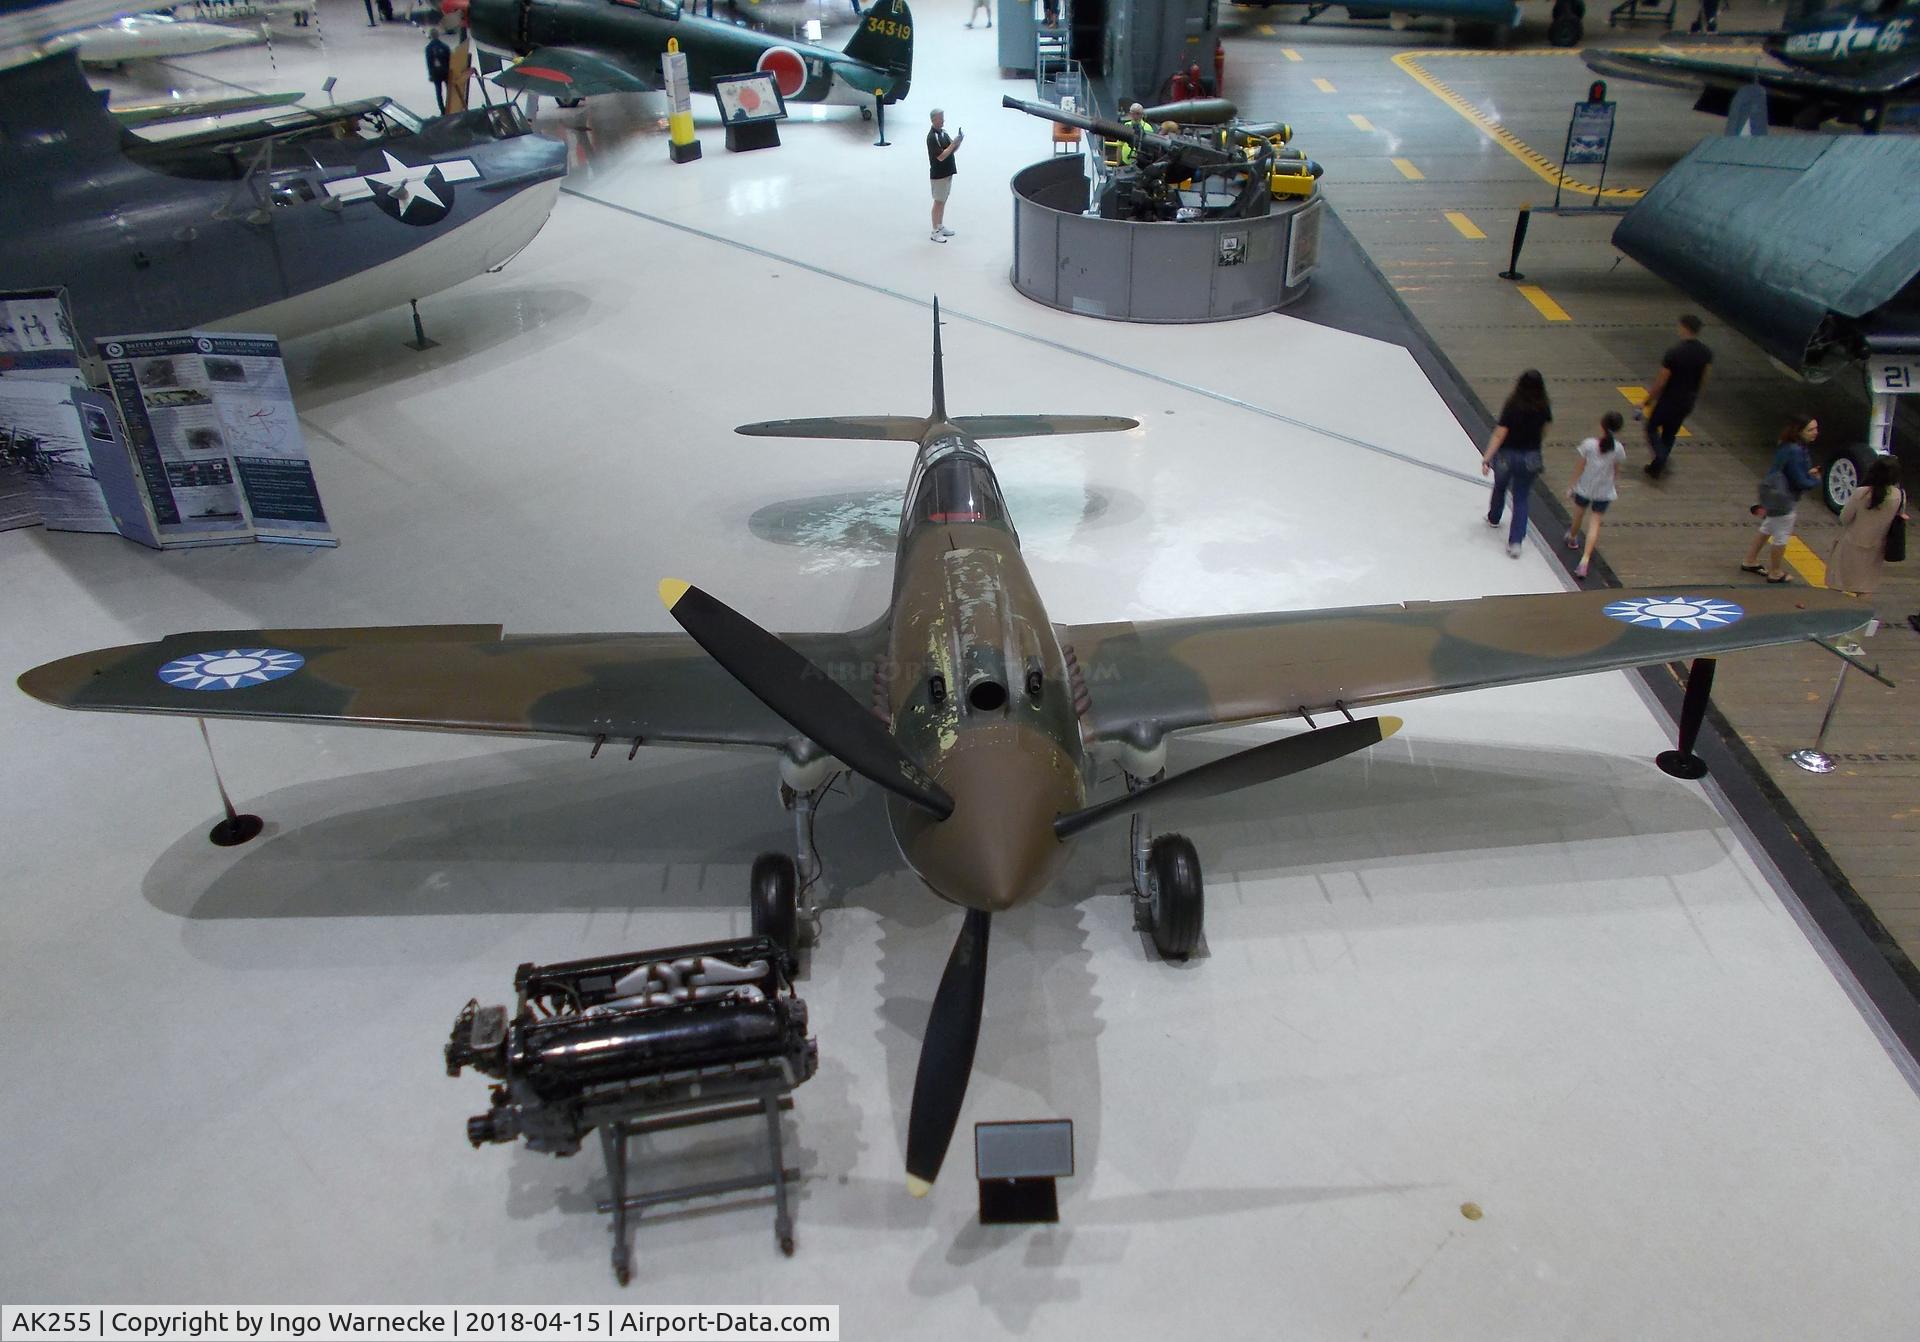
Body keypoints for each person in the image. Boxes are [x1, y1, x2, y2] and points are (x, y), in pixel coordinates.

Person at [1740, 415, 1822, 583]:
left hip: (1772, 493)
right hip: (1784, 498)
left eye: (1816, 428)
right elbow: (1799, 481)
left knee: (1767, 527)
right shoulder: (1796, 450)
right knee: (1781, 536)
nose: (1815, 433)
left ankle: (1750, 560)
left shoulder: (1786, 445)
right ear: (1799, 431)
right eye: (1811, 429)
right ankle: (1775, 571)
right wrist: (1815, 480)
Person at [1481, 370, 1553, 558]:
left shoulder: (1513, 405)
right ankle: (1515, 542)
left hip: (1507, 455)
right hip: (1531, 456)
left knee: (1500, 487)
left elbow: (1500, 434)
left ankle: (1494, 517)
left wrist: (1487, 458)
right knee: (1521, 498)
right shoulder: (1544, 407)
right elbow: (1545, 431)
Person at [1826, 455, 1906, 606]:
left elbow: (1844, 518)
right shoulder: (1899, 495)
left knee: (1838, 582)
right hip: (1877, 547)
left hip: (1850, 544)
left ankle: (1836, 614)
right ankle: (1858, 616)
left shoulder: (1861, 493)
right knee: (1865, 586)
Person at [1640, 314, 1712, 479]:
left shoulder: (1675, 352)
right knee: (1670, 432)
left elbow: (1661, 381)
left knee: (1651, 427)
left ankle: (1661, 457)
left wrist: (1647, 400)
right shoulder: (1706, 353)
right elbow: (1704, 378)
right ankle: (1656, 468)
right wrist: (1694, 396)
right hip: (1687, 400)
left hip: (1670, 398)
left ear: (1684, 327)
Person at [1565, 410, 1623, 579]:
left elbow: (1580, 466)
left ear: (1602, 425)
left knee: (1578, 516)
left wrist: (1572, 486)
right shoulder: (1618, 449)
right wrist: (1613, 484)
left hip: (1585, 487)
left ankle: (1573, 537)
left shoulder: (1589, 444)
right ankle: (1585, 559)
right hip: (1604, 491)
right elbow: (1616, 470)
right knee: (1595, 523)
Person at [927, 109, 961, 243]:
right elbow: (941, 156)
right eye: (941, 118)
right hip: (939, 174)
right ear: (934, 119)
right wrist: (953, 145)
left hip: (948, 172)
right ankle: (935, 231)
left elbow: (952, 150)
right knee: (938, 201)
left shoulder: (943, 133)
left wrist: (958, 142)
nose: (943, 120)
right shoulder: (932, 137)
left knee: (943, 200)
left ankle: (940, 225)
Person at [425, 31, 452, 113]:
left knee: (438, 92)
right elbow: (450, 60)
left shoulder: (428, 48)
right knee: (450, 90)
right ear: (438, 35)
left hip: (435, 73)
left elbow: (429, 62)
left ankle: (442, 110)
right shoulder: (445, 46)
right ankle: (451, 106)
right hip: (445, 71)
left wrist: (430, 74)